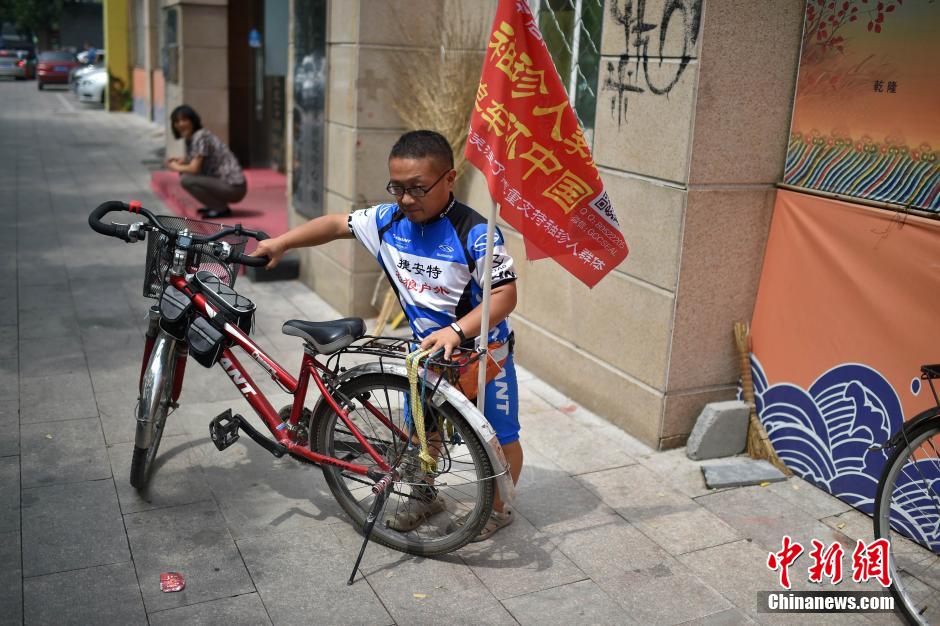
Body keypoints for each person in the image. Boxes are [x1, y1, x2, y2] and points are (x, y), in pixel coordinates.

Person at [252, 130, 523, 541]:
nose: (407, 199)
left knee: (500, 438)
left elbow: (505, 295)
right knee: (422, 434)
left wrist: (456, 330)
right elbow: (337, 224)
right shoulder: (388, 221)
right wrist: (282, 243)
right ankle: (424, 495)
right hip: (426, 356)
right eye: (397, 188)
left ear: (450, 178)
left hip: (484, 356)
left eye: (418, 188)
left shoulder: (476, 232)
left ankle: (498, 511)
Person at [165, 105, 247, 219]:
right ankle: (214, 205)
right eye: (177, 121)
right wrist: (183, 160)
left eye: (184, 120)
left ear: (192, 121)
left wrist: (175, 167)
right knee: (185, 174)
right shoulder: (193, 137)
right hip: (227, 184)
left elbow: (195, 168)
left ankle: (220, 208)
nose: (181, 124)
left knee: (186, 179)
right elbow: (199, 157)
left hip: (234, 187)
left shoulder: (200, 136)